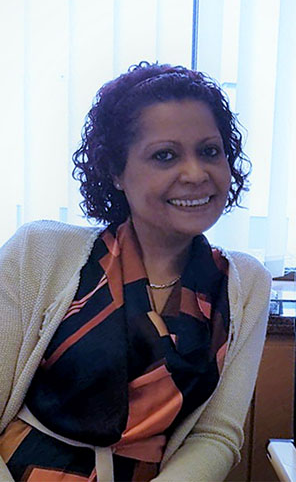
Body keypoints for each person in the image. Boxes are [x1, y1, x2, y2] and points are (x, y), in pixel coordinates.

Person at [0, 62, 271, 482]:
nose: (196, 173)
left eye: (209, 151)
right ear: (116, 172)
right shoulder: (39, 252)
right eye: (165, 155)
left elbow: (216, 435)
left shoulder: (244, 284)